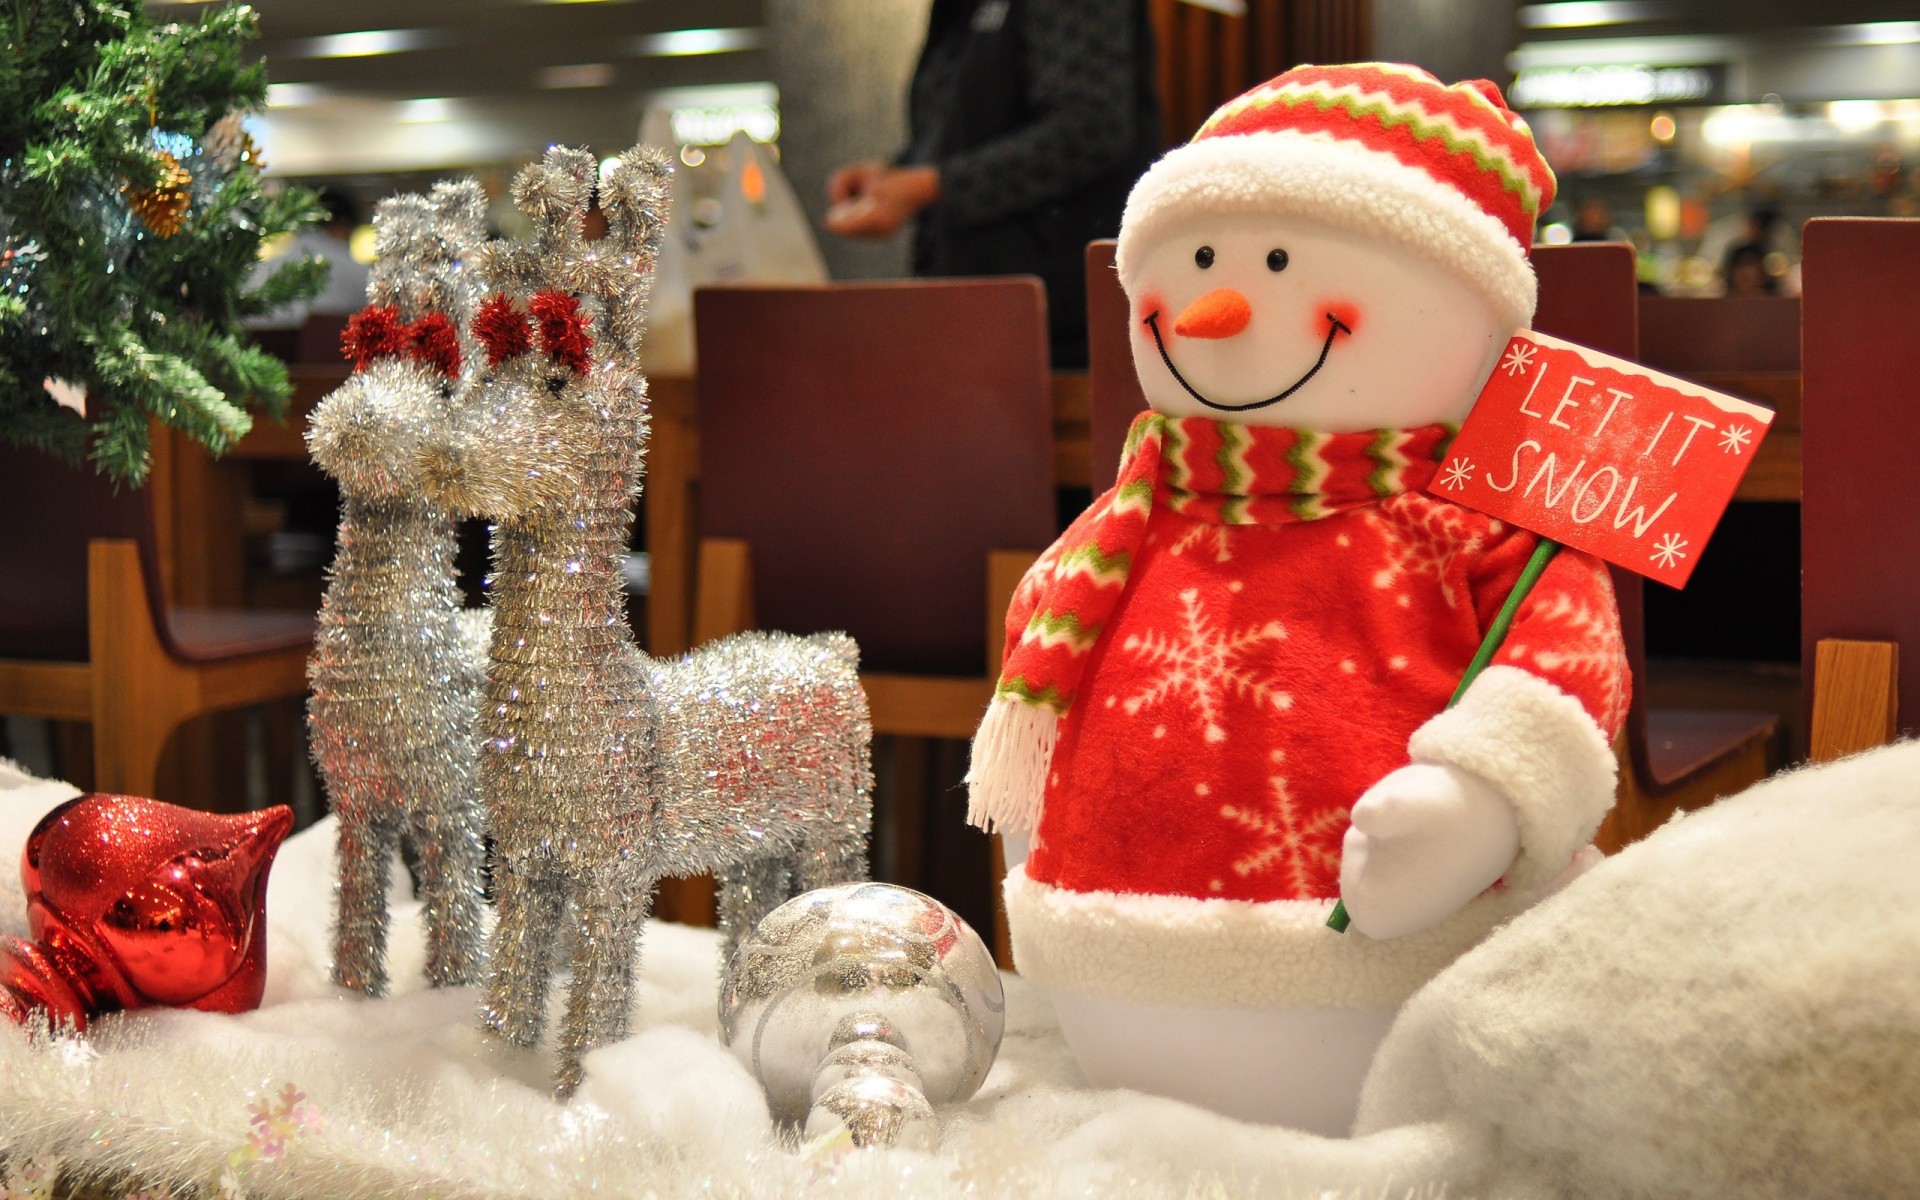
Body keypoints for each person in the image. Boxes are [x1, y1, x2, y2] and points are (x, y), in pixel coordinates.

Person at [824, 0, 1161, 369]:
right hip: (972, 311)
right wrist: (894, 174)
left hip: (1060, 328)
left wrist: (928, 186)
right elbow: (968, 127)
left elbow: (1089, 128)